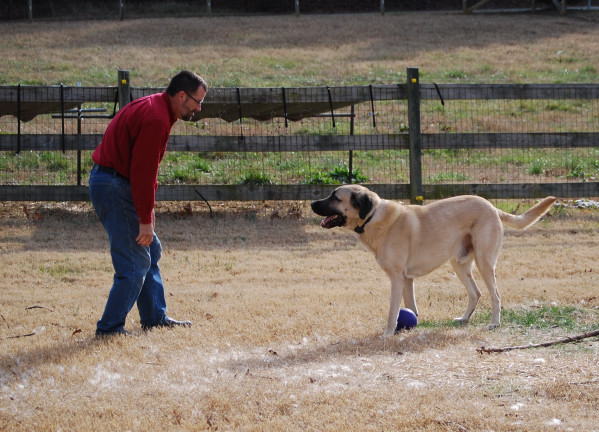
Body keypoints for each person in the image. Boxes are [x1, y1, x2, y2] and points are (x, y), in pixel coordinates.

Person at [89, 70, 208, 336]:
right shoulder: (156, 119)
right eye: (197, 102)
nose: (199, 108)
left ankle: (154, 317)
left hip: (113, 181)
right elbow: (142, 173)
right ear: (181, 96)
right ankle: (109, 328)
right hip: (114, 185)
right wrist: (144, 220)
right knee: (134, 264)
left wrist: (148, 214)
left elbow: (145, 172)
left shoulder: (157, 107)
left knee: (150, 251)